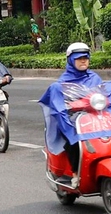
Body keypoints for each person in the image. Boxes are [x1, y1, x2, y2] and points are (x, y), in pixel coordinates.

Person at [41, 42, 101, 188]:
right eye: (79, 58)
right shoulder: (60, 84)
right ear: (70, 60)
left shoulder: (95, 78)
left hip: (94, 119)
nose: (83, 61)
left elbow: (104, 95)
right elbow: (58, 107)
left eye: (86, 58)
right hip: (71, 122)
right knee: (74, 140)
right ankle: (75, 174)